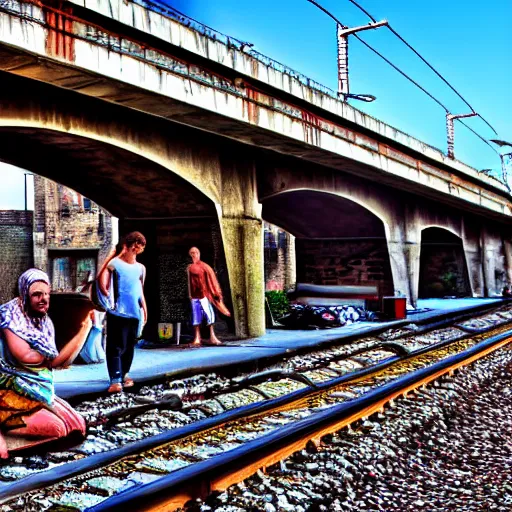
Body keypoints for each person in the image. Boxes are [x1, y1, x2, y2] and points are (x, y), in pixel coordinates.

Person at [0, 269, 89, 459]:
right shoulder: (10, 318)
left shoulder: (44, 322)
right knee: (57, 429)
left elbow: (60, 363)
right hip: (10, 389)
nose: (43, 299)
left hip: (36, 387)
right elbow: (30, 358)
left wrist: (84, 329)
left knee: (77, 425)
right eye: (37, 294)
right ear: (24, 295)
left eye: (46, 294)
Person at [98, 232, 147, 393]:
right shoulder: (114, 264)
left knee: (129, 347)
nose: (135, 250)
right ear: (127, 246)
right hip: (117, 312)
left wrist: (144, 311)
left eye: (138, 247)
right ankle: (115, 379)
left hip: (134, 313)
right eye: (133, 246)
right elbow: (103, 284)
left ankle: (125, 373)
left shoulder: (141, 268)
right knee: (115, 347)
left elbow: (140, 291)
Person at [187, 247, 230, 346]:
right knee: (196, 316)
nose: (194, 254)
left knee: (209, 315)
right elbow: (190, 282)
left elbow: (212, 280)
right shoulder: (190, 267)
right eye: (192, 253)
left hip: (204, 295)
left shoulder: (205, 267)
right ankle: (197, 338)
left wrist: (215, 293)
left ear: (199, 253)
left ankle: (212, 336)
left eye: (196, 252)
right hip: (194, 296)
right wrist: (190, 294)